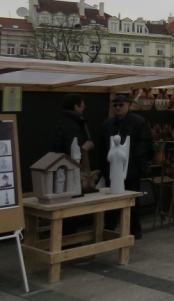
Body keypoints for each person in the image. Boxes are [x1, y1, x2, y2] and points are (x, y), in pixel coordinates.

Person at [100, 94, 152, 239]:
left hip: (132, 169)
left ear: (129, 105)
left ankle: (134, 229)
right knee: (111, 199)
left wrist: (134, 159)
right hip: (112, 168)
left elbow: (145, 142)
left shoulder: (139, 122)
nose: (118, 108)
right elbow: (102, 146)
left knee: (132, 200)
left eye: (121, 105)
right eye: (115, 105)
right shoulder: (107, 124)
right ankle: (109, 228)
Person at [51, 93, 96, 236]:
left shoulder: (60, 123)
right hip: (70, 172)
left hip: (60, 169)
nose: (84, 108)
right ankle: (68, 240)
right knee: (70, 207)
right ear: (76, 107)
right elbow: (74, 151)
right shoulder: (73, 126)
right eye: (82, 106)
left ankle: (66, 238)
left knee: (65, 207)